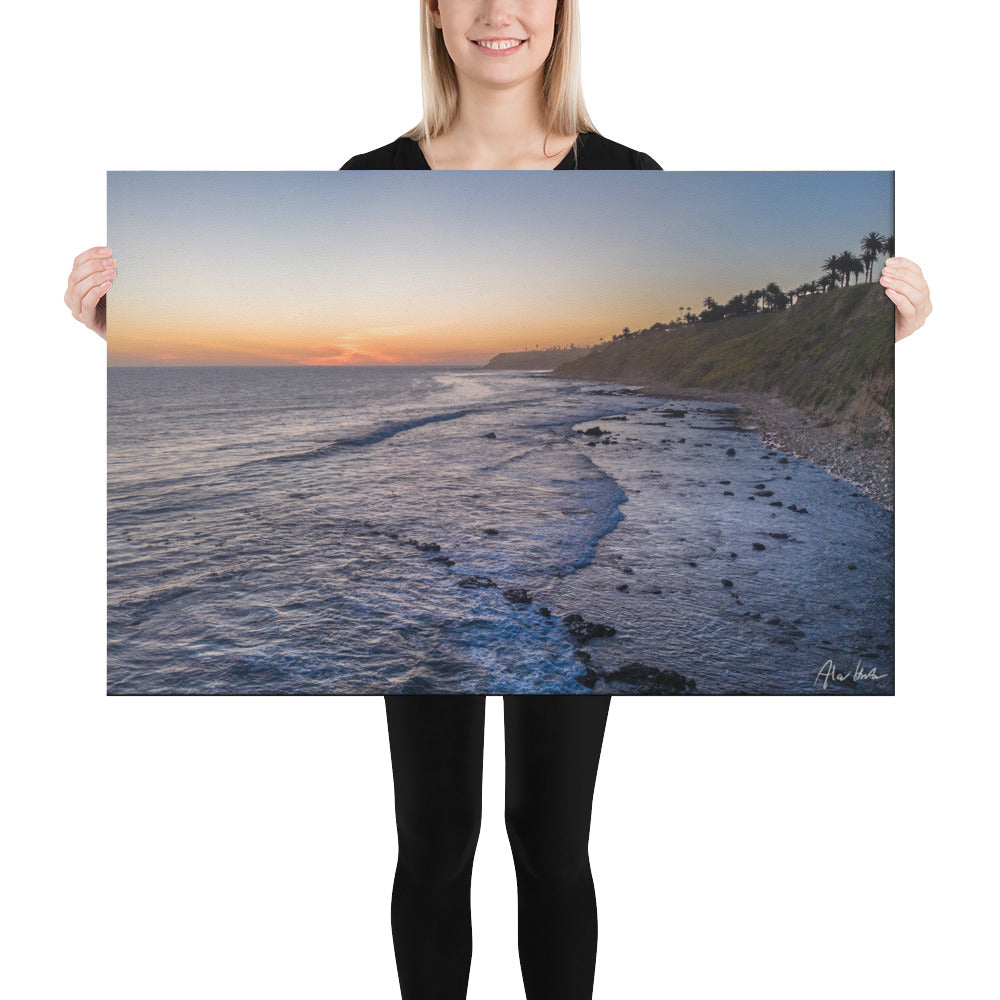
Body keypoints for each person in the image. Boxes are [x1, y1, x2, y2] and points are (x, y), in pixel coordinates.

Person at [65, 2, 933, 998]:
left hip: (507, 538)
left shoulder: (624, 179)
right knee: (435, 843)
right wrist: (112, 328)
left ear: (563, 13)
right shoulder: (369, 182)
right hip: (428, 555)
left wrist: (885, 338)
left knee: (551, 842)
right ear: (430, 13)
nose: (496, 12)